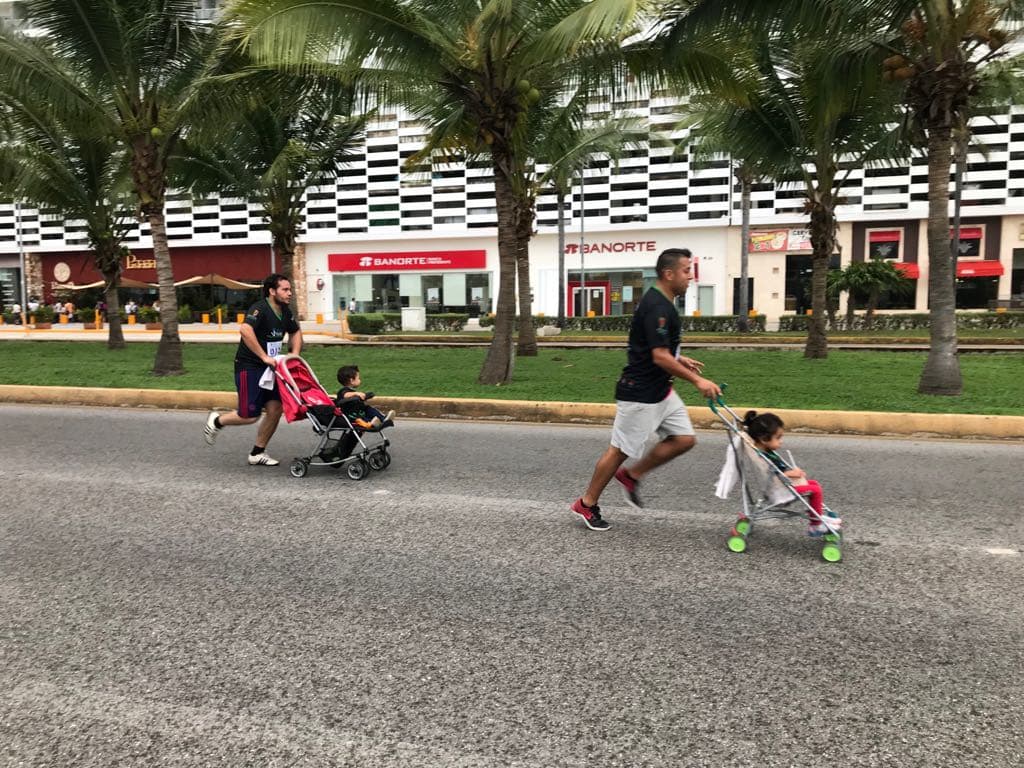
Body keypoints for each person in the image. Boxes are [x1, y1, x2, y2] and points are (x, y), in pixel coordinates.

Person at [570, 248, 721, 531]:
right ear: (669, 274)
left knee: (684, 439)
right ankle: (587, 503)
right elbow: (658, 356)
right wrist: (697, 380)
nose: (691, 276)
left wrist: (679, 358)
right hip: (639, 393)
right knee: (618, 452)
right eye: (686, 270)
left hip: (661, 390)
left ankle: (633, 475)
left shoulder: (663, 301)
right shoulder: (657, 307)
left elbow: (659, 349)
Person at [203, 273, 303, 466]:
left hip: (272, 368)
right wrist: (264, 356)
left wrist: (294, 355)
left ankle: (257, 452)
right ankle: (217, 421)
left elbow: (295, 331)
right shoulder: (260, 309)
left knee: (275, 409)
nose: (290, 293)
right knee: (249, 415)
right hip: (249, 367)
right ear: (272, 291)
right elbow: (245, 330)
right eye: (285, 289)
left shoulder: (285, 311)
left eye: (290, 289)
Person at [742, 410, 841, 536]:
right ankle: (815, 526)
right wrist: (792, 473)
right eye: (778, 438)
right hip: (780, 493)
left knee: (813, 484)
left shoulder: (766, 452)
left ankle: (816, 515)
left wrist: (793, 473)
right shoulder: (764, 457)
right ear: (763, 439)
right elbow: (774, 474)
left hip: (783, 486)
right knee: (816, 490)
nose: (781, 441)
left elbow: (777, 472)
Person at [336, 365, 394, 430]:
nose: (360, 380)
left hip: (360, 411)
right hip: (353, 416)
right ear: (352, 380)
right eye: (358, 378)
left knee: (369, 409)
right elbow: (345, 395)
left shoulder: (351, 390)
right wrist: (356, 393)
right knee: (362, 419)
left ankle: (383, 419)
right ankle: (371, 423)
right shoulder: (344, 391)